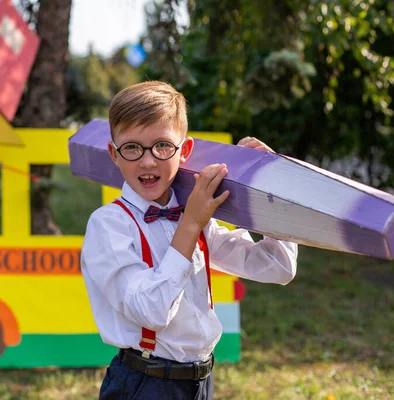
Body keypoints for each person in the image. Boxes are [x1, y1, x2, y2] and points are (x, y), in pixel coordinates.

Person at [81, 81, 298, 400]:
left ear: (185, 151)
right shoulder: (109, 225)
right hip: (145, 384)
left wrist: (268, 190)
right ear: (114, 153)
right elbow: (151, 311)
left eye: (162, 146)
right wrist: (192, 223)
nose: (148, 161)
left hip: (199, 382)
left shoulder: (192, 215)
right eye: (132, 147)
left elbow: (277, 267)